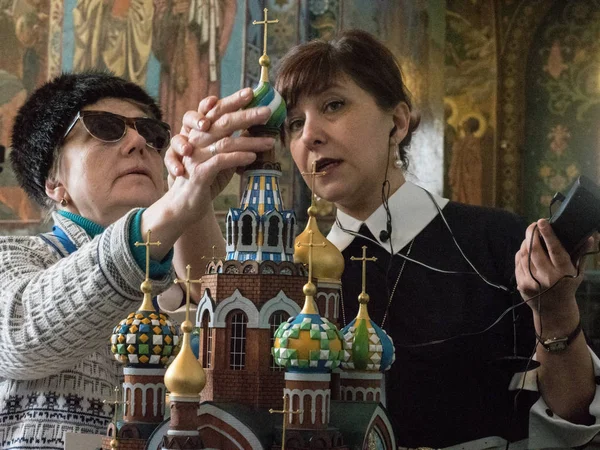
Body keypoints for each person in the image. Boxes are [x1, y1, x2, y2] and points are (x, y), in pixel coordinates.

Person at [167, 29, 600, 448]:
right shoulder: (296, 272)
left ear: (397, 121)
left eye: (333, 105)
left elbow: (570, 417)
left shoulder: (496, 240)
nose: (310, 135)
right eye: (295, 123)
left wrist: (558, 313)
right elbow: (213, 297)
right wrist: (192, 190)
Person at [0, 71, 274, 449]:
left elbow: (247, 355)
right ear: (53, 181)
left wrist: (193, 198)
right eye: (105, 128)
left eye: (152, 134)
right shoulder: (16, 258)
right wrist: (173, 208)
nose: (138, 141)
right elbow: (19, 335)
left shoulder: (171, 284)